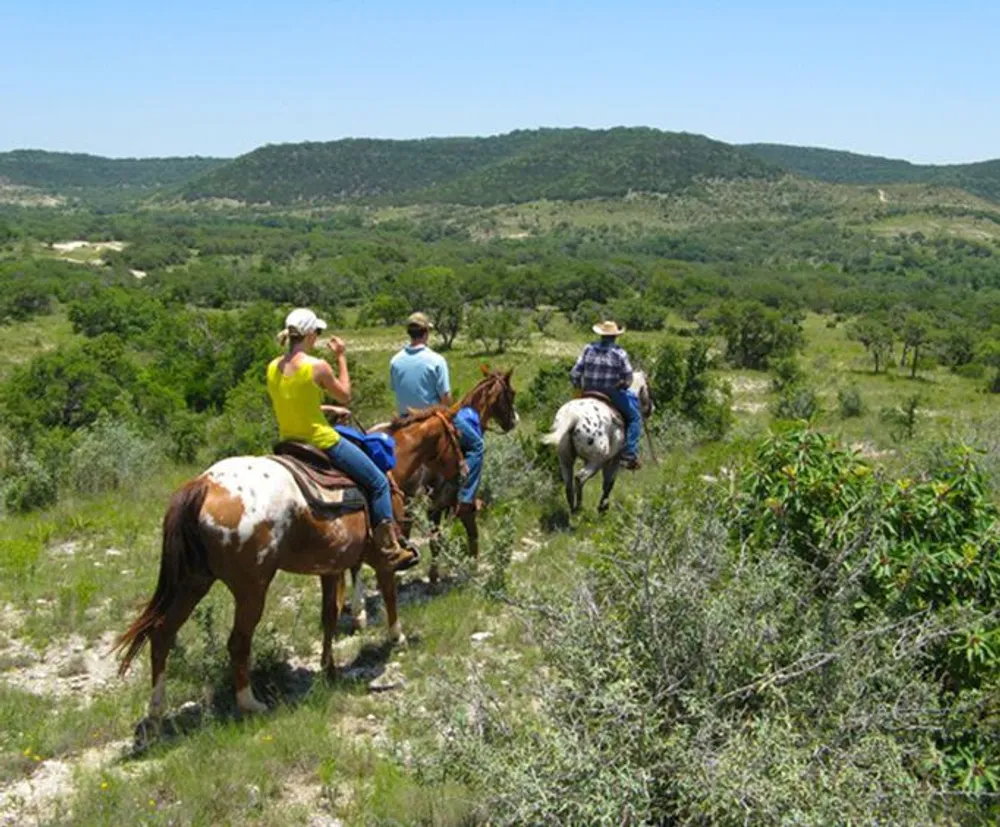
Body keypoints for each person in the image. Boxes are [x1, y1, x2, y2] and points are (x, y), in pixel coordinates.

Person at [267, 308, 418, 571]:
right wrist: (341, 357)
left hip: (288, 442)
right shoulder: (317, 366)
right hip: (320, 441)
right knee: (379, 482)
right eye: (318, 332)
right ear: (311, 335)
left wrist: (327, 410)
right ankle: (389, 548)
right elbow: (345, 395)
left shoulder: (272, 367)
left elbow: (294, 404)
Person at [389, 312, 482, 515]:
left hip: (404, 419)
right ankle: (466, 497)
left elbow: (396, 390)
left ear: (409, 333)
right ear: (427, 333)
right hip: (431, 421)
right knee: (476, 445)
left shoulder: (395, 361)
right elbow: (446, 400)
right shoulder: (436, 360)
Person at [570, 319, 642, 469]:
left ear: (601, 335)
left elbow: (575, 372)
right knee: (635, 417)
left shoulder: (588, 348)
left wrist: (578, 386)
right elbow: (628, 377)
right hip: (611, 393)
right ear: (615, 337)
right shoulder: (619, 353)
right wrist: (624, 384)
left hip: (588, 390)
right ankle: (629, 454)